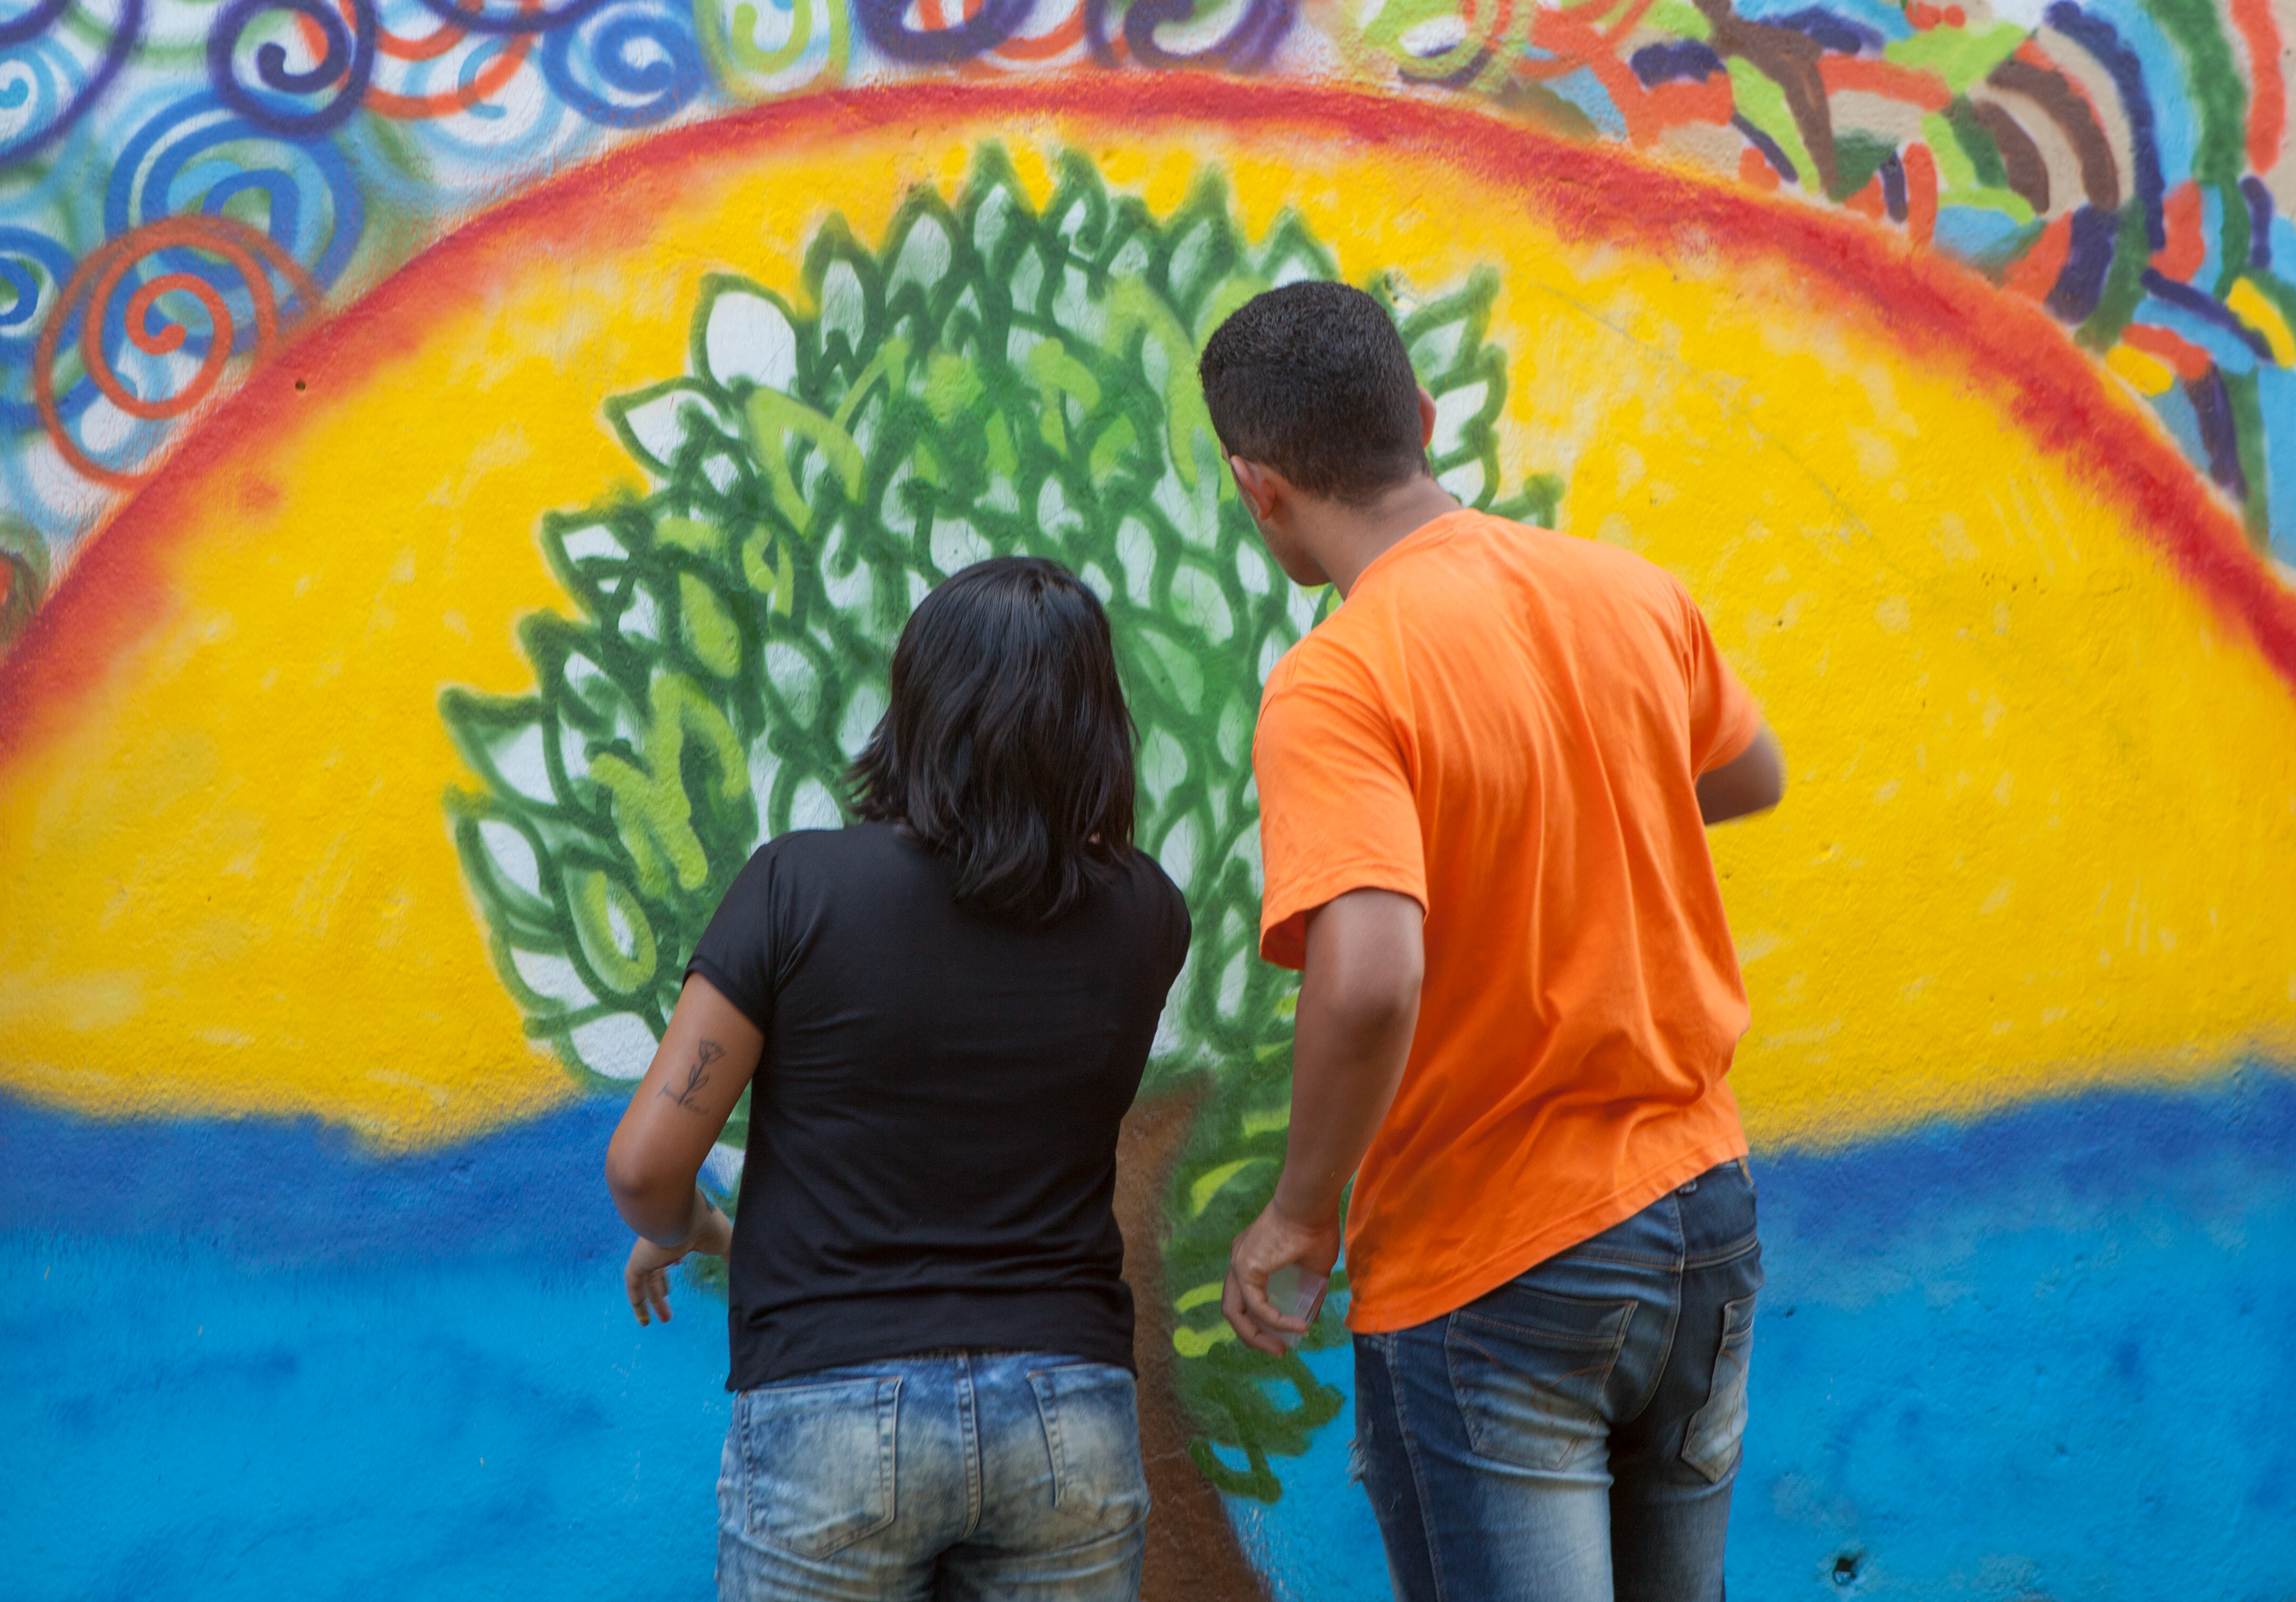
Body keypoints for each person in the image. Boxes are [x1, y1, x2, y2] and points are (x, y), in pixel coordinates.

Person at [1200, 281, 1786, 1602]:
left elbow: (1369, 980)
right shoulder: (1628, 590)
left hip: (1493, 1252)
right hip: (1702, 1209)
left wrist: (1299, 1210)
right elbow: (1752, 773)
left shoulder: (1340, 679)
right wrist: (1589, 797)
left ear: (1258, 487)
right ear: (1418, 415)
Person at [603, 556, 1191, 1602]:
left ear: (918, 707)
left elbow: (646, 1167)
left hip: (831, 1407)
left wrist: (690, 1224)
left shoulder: (795, 886)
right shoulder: (1147, 911)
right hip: (1068, 1410)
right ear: (1095, 719)